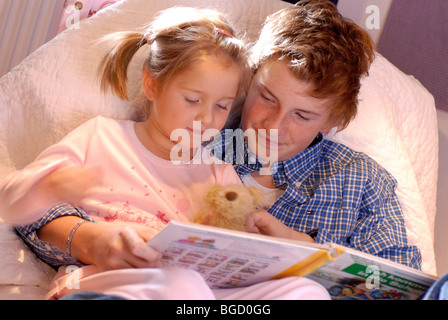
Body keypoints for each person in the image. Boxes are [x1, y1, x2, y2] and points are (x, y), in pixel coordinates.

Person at [0, 6, 329, 300]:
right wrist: (52, 187)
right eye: (192, 100)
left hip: (200, 293)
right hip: (107, 288)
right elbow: (11, 203)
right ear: (152, 84)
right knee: (180, 284)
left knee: (306, 291)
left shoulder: (217, 170)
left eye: (222, 106)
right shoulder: (101, 135)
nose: (206, 118)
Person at [208, 0, 422, 270]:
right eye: (267, 98)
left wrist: (308, 250)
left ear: (332, 121)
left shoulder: (363, 184)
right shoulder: (201, 143)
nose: (273, 126)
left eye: (302, 116)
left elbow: (401, 284)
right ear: (249, 79)